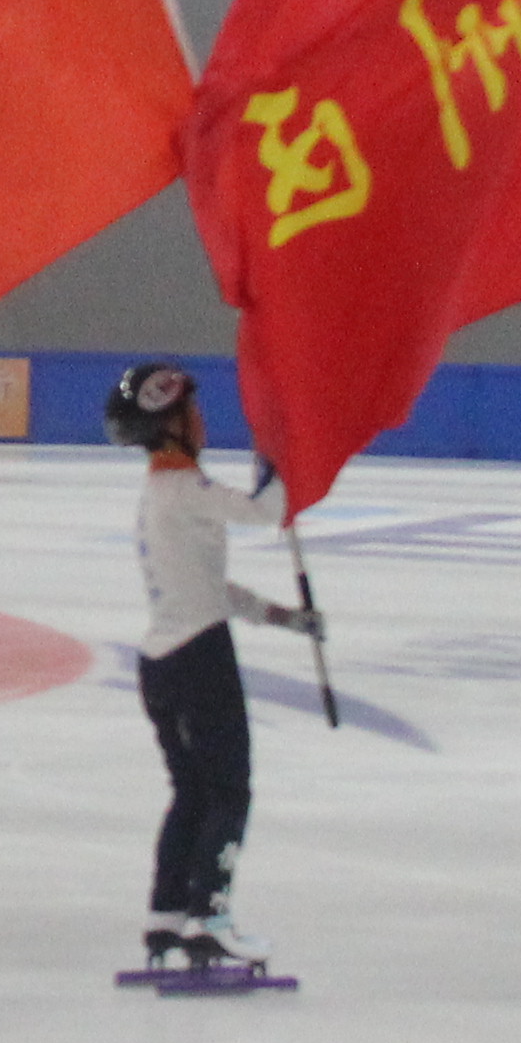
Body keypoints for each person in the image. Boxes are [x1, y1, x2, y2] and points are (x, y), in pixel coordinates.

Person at [110, 362, 310, 979]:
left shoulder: (162, 496)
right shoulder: (186, 490)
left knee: (192, 793)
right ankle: (210, 921)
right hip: (200, 660)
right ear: (168, 424)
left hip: (162, 663)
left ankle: (166, 918)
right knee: (228, 791)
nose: (201, 420)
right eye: (190, 411)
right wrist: (283, 451)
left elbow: (206, 586)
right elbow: (268, 510)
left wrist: (282, 617)